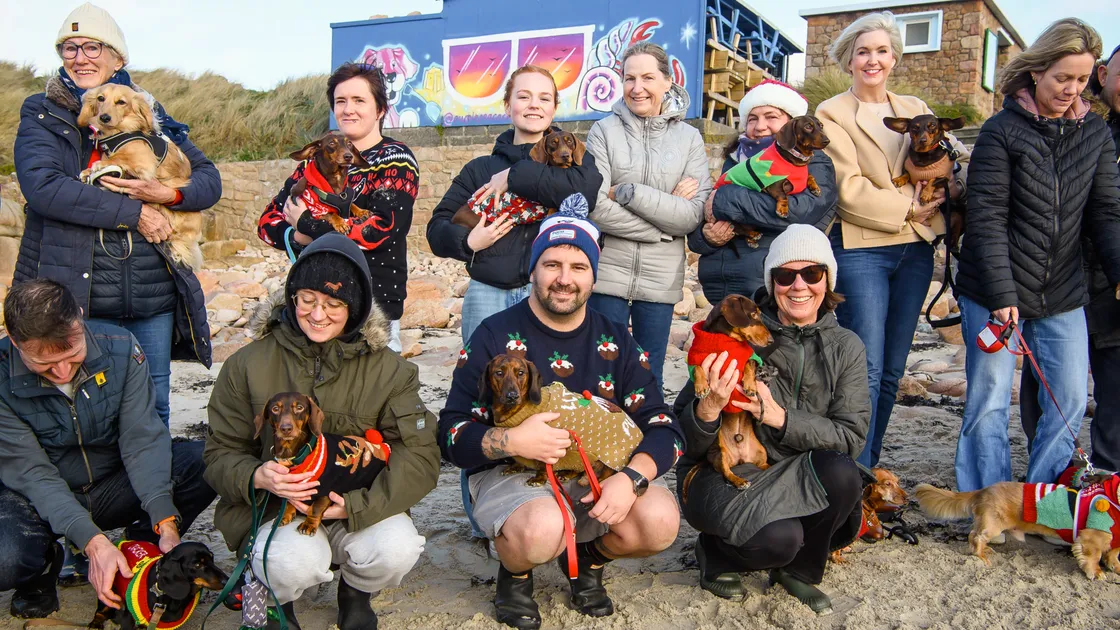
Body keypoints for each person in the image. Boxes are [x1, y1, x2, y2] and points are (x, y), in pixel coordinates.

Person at [438, 195, 682, 630]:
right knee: (540, 529)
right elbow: (451, 432)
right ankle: (515, 575)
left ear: (593, 275)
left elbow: (663, 425)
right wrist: (512, 440)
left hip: (597, 470)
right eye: (552, 265)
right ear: (533, 269)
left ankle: (590, 560)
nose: (563, 279)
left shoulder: (615, 338)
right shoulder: (495, 334)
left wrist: (633, 478)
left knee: (660, 521)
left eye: (578, 267)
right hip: (513, 470)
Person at [204, 233, 438, 630]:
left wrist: (358, 505)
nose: (317, 314)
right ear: (292, 297)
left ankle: (356, 592)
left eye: (334, 304)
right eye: (308, 300)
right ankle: (282, 599)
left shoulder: (391, 370)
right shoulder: (246, 364)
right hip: (277, 510)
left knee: (395, 549)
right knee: (291, 563)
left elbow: (420, 456)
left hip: (357, 503)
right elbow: (218, 453)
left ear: (357, 309)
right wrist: (255, 476)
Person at [14, 1, 218, 429]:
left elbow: (208, 182)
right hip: (78, 292)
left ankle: (156, 495)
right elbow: (46, 189)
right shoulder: (42, 111)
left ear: (117, 57)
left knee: (155, 405)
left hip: (150, 292)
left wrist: (168, 194)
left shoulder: (148, 111)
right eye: (69, 48)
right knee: (86, 412)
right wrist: (136, 211)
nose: (80, 58)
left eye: (92, 47)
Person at [954, 19, 1120, 492]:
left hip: (1063, 290)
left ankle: (1042, 500)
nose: (1071, 89)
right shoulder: (1000, 130)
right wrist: (1003, 294)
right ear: (1037, 72)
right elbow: (985, 217)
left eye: (1083, 79)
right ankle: (988, 501)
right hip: (993, 289)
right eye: (1061, 78)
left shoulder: (1096, 135)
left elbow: (1107, 212)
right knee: (988, 401)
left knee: (1068, 399)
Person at [673, 225, 868, 614]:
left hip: (794, 472)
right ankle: (716, 553)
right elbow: (686, 443)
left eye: (811, 274)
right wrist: (709, 407)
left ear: (827, 280)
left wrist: (780, 418)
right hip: (727, 471)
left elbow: (851, 437)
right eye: (784, 275)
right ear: (772, 282)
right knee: (777, 540)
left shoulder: (847, 346)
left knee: (845, 472)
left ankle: (799, 572)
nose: (798, 286)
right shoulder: (733, 335)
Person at [0, 279, 215, 619]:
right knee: (6, 557)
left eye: (72, 356)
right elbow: (32, 474)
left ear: (80, 319)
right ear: (14, 342)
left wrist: (165, 519)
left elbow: (142, 440)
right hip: (37, 498)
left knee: (201, 461)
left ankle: (140, 547)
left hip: (111, 484)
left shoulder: (120, 349)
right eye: (44, 364)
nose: (61, 372)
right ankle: (42, 572)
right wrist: (92, 541)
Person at [815, 11, 969, 468]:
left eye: (882, 50)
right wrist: (908, 206)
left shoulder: (914, 105)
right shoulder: (831, 113)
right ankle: (848, 473)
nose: (873, 59)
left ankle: (867, 468)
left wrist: (949, 185)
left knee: (893, 371)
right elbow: (847, 186)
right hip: (863, 247)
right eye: (863, 51)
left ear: (895, 58)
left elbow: (951, 155)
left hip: (917, 248)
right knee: (866, 367)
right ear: (849, 59)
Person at [426, 65, 603, 346]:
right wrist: (469, 241)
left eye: (544, 98)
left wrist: (512, 175)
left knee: (549, 381)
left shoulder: (576, 162)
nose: (534, 105)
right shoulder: (479, 169)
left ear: (554, 108)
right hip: (488, 292)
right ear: (508, 105)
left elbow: (585, 193)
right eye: (524, 97)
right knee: (481, 378)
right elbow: (436, 230)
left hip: (552, 291)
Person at [259, 62, 420, 353]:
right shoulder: (314, 163)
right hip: (314, 310)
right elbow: (266, 223)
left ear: (380, 109)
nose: (348, 109)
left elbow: (380, 230)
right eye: (340, 101)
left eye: (359, 100)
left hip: (371, 310)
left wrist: (307, 225)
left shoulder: (394, 159)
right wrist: (296, 237)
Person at [586, 42, 711, 389]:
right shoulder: (603, 131)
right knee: (602, 375)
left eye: (647, 77)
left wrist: (630, 193)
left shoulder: (689, 139)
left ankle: (647, 441)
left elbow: (690, 216)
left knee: (648, 374)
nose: (637, 87)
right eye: (629, 78)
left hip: (660, 281)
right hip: (607, 274)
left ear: (668, 81)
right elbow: (595, 205)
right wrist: (660, 227)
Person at [1020, 43, 1120, 473]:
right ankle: (1052, 479)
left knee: (1114, 389)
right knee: (1046, 387)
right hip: (1060, 278)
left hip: (1111, 280)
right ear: (1104, 75)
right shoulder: (1086, 128)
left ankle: (1108, 485)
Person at [689, 79, 838, 302]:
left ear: (791, 125)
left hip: (774, 290)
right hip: (720, 290)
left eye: (771, 117)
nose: (759, 126)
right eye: (752, 119)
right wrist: (707, 237)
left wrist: (724, 198)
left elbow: (797, 214)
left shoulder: (814, 164)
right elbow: (698, 231)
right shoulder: (736, 163)